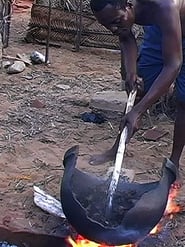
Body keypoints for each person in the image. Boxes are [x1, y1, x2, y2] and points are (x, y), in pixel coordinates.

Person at [89, 0, 185, 177]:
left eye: (116, 22)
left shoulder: (165, 6)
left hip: (174, 24)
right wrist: (131, 72)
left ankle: (174, 162)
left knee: (184, 102)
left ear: (128, 5)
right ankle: (117, 149)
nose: (113, 29)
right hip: (161, 31)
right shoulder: (119, 14)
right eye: (107, 25)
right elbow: (125, 36)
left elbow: (173, 65)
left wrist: (138, 112)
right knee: (137, 89)